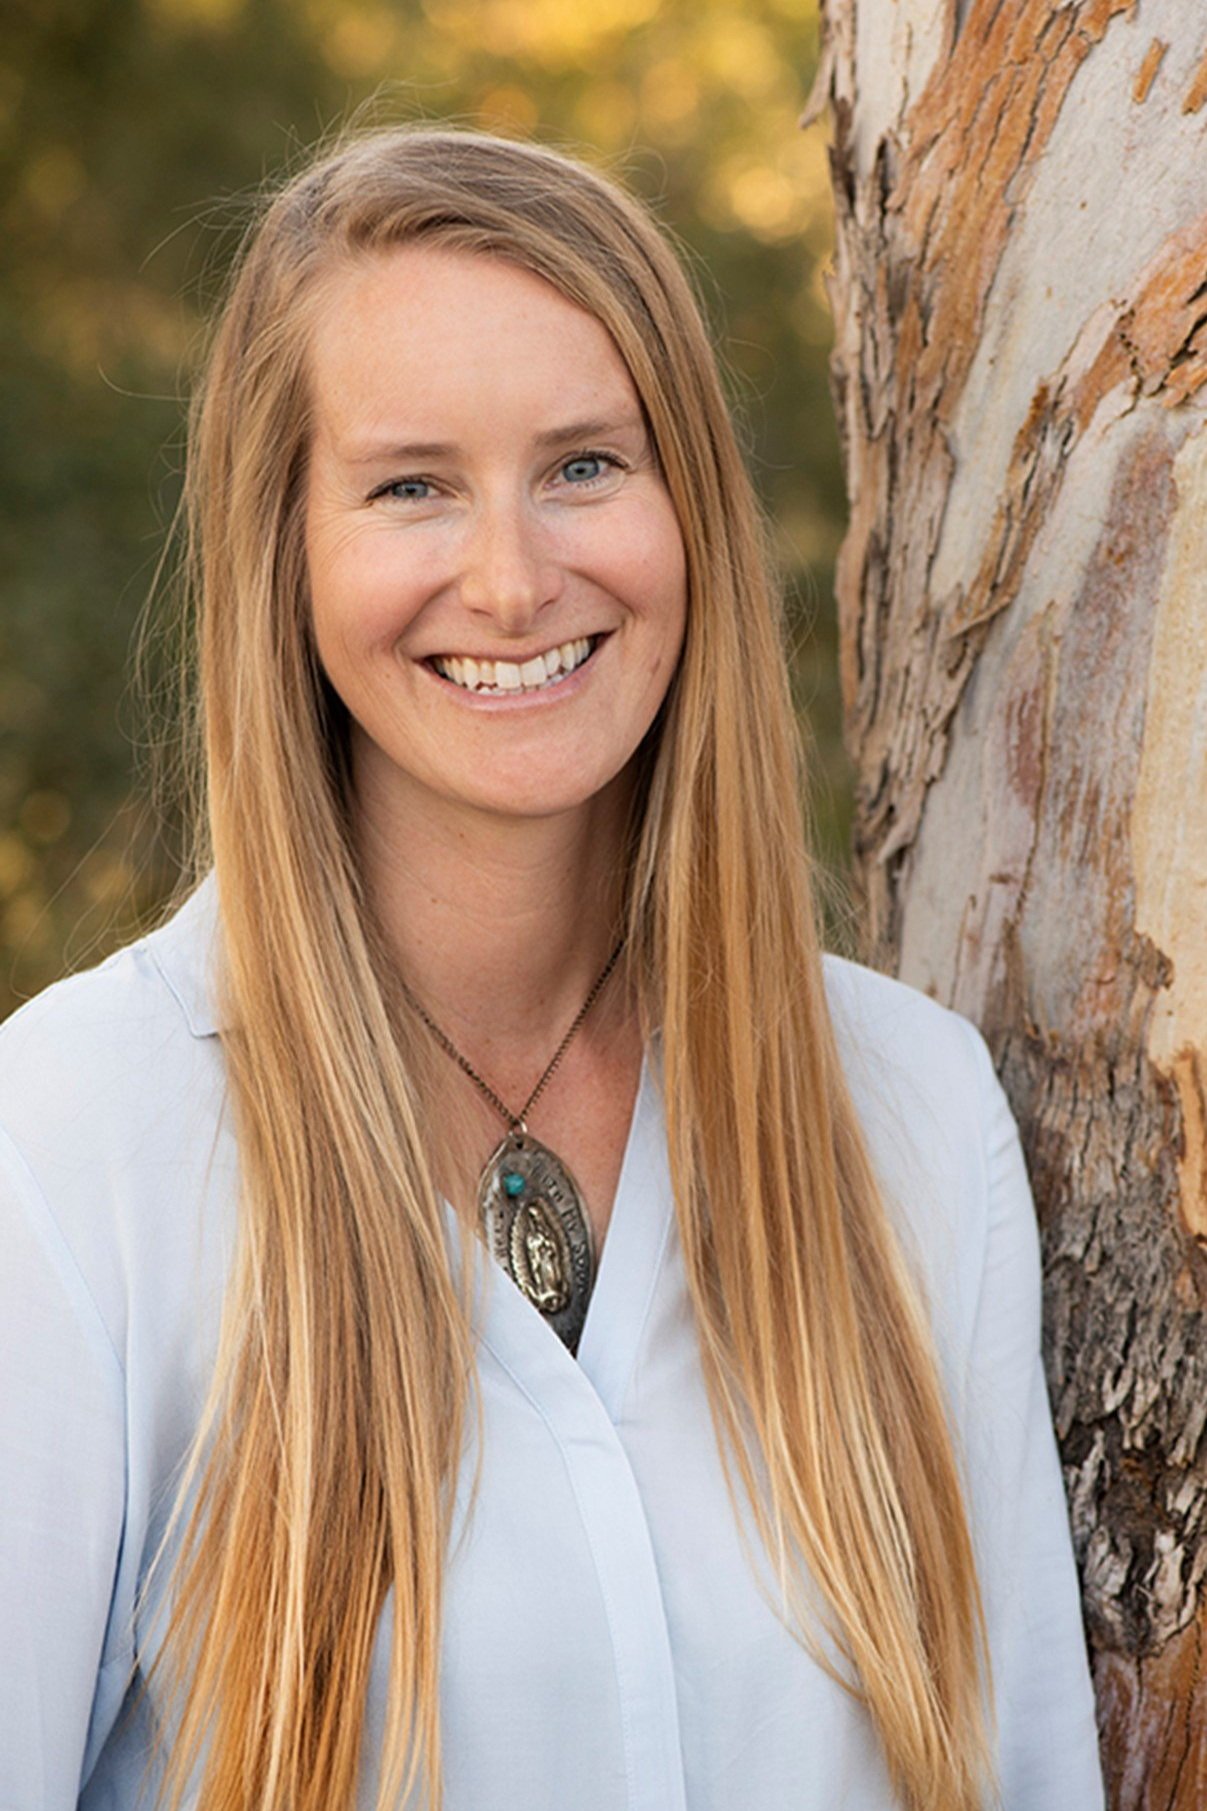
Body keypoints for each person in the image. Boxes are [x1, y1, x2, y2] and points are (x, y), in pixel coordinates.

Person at [0, 126, 1104, 1811]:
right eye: (411, 484)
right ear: (283, 549)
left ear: (691, 512)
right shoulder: (69, 1153)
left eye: (585, 464)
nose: (514, 581)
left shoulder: (911, 1114)